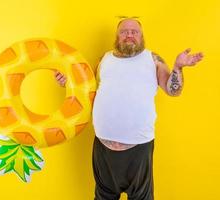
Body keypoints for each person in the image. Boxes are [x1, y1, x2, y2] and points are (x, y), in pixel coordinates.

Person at [54, 18, 203, 200]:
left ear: (142, 36)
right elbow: (85, 88)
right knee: (103, 197)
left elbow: (173, 90)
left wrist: (178, 67)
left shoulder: (153, 59)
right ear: (117, 36)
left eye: (135, 31)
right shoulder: (104, 60)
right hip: (103, 147)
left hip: (138, 148)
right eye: (124, 31)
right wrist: (66, 82)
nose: (130, 35)